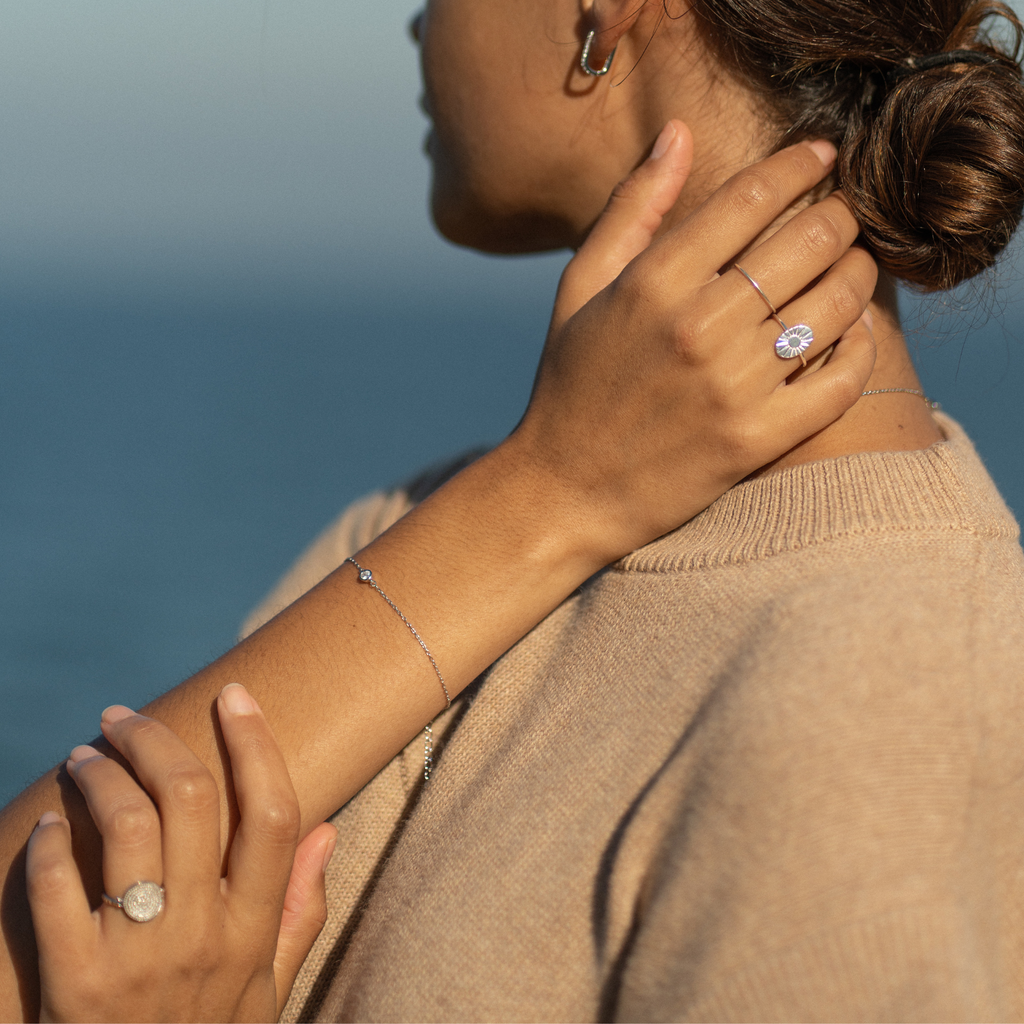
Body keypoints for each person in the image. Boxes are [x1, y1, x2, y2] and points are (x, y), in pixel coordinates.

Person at [5, 0, 1024, 1016]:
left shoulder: (888, 714)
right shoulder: (436, 527)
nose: (414, 21)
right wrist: (546, 491)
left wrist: (552, 494)